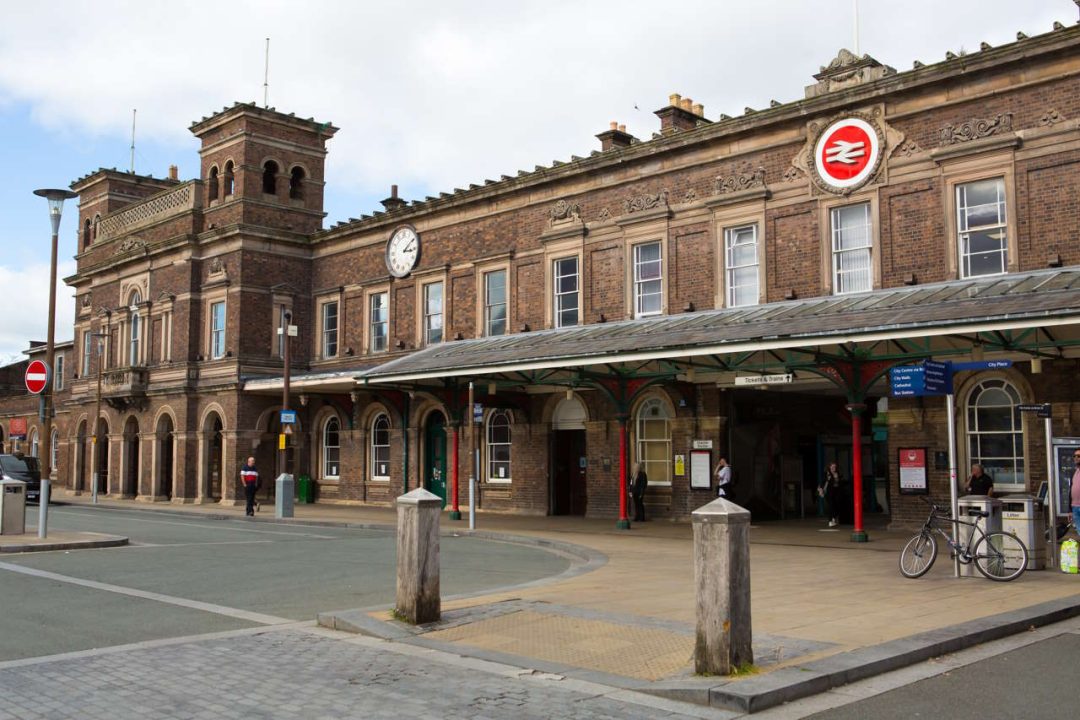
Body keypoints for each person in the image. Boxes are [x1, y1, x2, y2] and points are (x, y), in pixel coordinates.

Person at [819, 462, 841, 527]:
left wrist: (837, 478)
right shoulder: (827, 474)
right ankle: (830, 521)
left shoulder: (837, 474)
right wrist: (820, 489)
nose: (834, 468)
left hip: (836, 492)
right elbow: (823, 482)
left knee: (836, 506)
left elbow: (838, 483)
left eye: (835, 467)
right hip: (828, 492)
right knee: (831, 506)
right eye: (832, 467)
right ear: (829, 467)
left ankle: (833, 518)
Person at [1071, 450, 1080, 532]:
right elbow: (1071, 490)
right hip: (1075, 506)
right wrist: (1069, 510)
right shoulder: (1074, 472)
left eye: (1079, 456)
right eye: (1075, 456)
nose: (1076, 458)